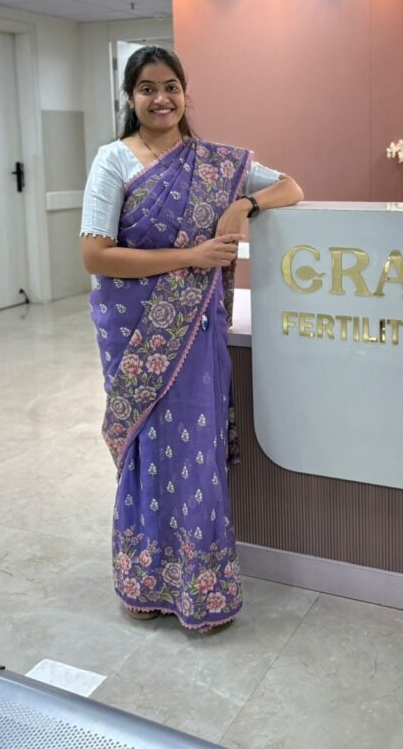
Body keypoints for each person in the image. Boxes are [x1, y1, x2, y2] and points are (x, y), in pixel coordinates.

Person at [80, 45, 303, 630]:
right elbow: (95, 254)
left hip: (194, 333)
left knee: (195, 454)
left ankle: (198, 588)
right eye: (148, 88)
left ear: (185, 93)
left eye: (172, 86)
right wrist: (193, 256)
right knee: (145, 451)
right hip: (135, 333)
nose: (162, 98)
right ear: (130, 98)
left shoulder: (214, 163)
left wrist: (243, 204)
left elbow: (292, 188)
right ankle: (144, 579)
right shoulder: (114, 161)